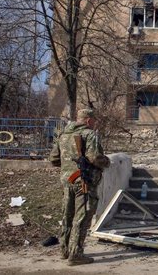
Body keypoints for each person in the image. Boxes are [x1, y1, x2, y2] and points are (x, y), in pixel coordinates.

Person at [49, 108, 110, 266]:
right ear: (89, 120)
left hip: (67, 180)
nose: (94, 123)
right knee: (81, 217)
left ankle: (65, 250)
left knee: (67, 215)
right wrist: (106, 162)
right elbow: (94, 157)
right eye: (93, 120)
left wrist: (68, 167)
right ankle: (76, 254)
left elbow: (54, 159)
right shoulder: (90, 134)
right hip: (83, 181)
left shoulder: (63, 135)